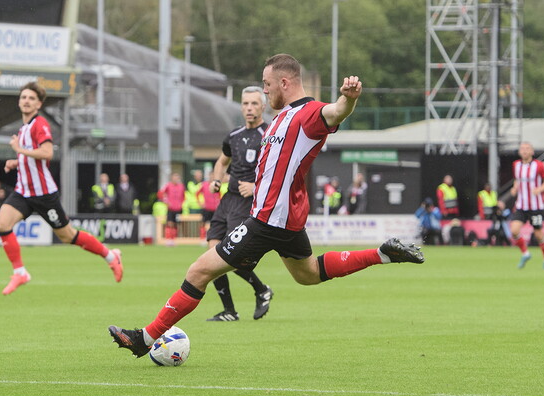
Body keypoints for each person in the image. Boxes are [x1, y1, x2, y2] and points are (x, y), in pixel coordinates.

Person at [108, 54, 424, 358]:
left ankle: (144, 339)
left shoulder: (307, 114)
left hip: (267, 220)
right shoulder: (280, 118)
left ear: (284, 82)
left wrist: (349, 99)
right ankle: (383, 253)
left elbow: (336, 112)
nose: (264, 89)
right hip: (284, 221)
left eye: (266, 83)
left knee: (198, 271)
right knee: (308, 274)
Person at [0, 81, 123, 295]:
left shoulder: (40, 124)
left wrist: (19, 150)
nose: (26, 101)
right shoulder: (24, 128)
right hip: (24, 192)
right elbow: (31, 157)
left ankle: (111, 256)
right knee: (2, 224)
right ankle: (20, 272)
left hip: (44, 194)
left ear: (38, 104)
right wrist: (16, 161)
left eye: (31, 98)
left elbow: (47, 153)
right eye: (23, 97)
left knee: (67, 236)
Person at [202, 85, 274, 322]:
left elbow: (280, 171)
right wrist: (216, 180)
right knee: (212, 254)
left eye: (254, 103)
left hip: (249, 203)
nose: (249, 108)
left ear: (263, 106)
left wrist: (255, 187)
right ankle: (230, 311)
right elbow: (222, 162)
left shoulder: (271, 133)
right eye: (245, 104)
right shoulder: (233, 136)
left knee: (228, 255)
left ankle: (261, 289)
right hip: (228, 200)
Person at [509, 141, 544, 269]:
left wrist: (539, 189)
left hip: (535, 207)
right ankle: (525, 253)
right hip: (521, 206)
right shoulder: (516, 165)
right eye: (522, 148)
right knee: (514, 230)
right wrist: (514, 188)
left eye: (527, 149)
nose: (525, 151)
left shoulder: (539, 165)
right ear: (519, 151)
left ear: (532, 152)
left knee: (538, 234)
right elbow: (517, 180)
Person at [157, 172, 186, 246]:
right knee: (170, 223)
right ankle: (168, 239)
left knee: (176, 224)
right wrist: (166, 201)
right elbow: (160, 193)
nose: (176, 179)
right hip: (170, 208)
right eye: (174, 177)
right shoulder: (168, 185)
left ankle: (173, 239)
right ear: (171, 178)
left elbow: (184, 196)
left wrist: (181, 203)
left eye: (177, 177)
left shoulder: (181, 186)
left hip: (178, 209)